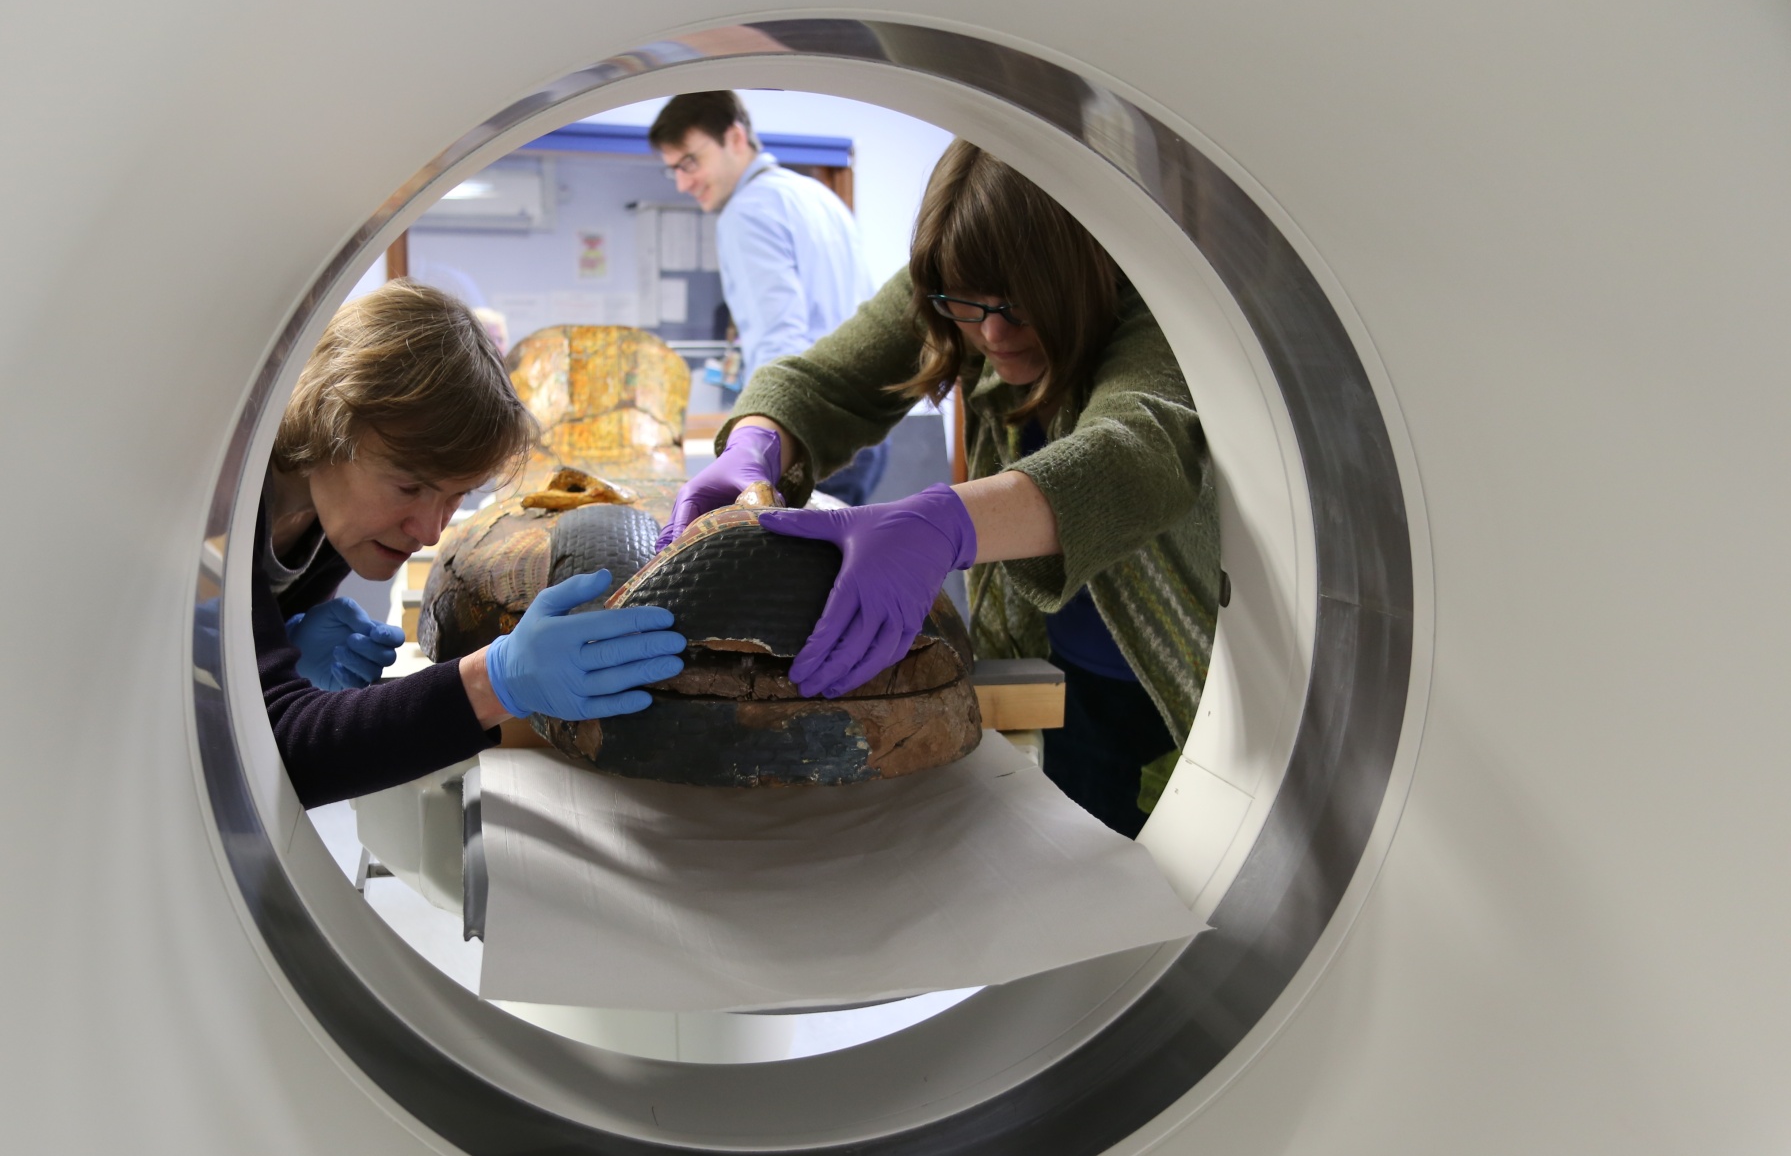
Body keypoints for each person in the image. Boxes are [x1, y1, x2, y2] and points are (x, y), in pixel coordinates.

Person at [661, 143, 1220, 837]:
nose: (990, 331)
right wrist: (757, 441)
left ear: (1083, 273)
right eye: (968, 305)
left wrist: (942, 523)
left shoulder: (1156, 309)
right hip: (1047, 662)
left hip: (1172, 685)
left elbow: (1137, 452)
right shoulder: (954, 278)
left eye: (1018, 307)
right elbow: (821, 380)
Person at [253, 279, 685, 807]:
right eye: (409, 487)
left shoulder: (320, 516)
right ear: (330, 417)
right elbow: (285, 750)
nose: (430, 532)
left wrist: (279, 646)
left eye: (454, 497)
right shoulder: (221, 513)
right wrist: (494, 680)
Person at [647, 91, 886, 524]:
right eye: (673, 170)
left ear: (735, 138)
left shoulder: (747, 211)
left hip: (809, 434)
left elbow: (781, 340)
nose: (683, 183)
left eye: (689, 162)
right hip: (864, 432)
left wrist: (759, 448)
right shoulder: (814, 195)